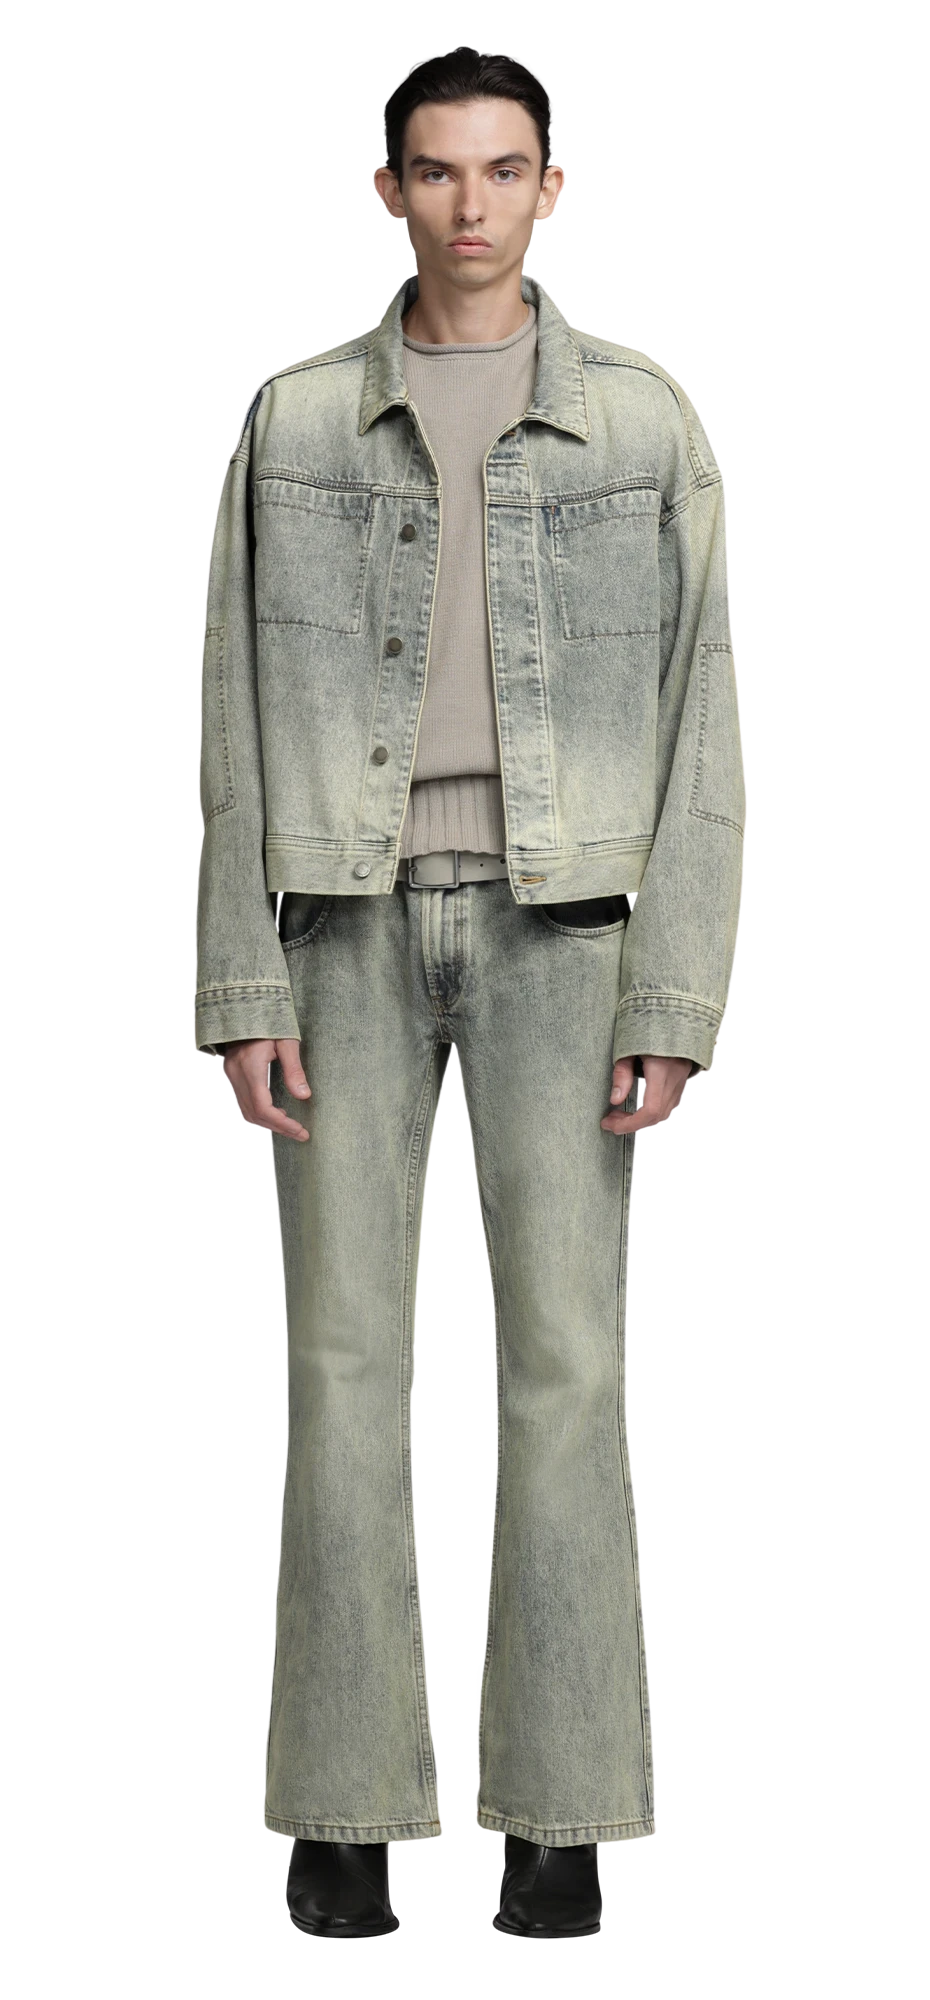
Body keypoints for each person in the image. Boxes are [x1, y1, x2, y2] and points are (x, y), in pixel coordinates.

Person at [193, 48, 745, 1940]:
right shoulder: (293, 420)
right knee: (337, 1364)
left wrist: (670, 988)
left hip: (564, 933)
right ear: (386, 192)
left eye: (503, 170)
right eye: (435, 172)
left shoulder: (638, 423)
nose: (470, 206)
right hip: (338, 923)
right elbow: (228, 716)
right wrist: (240, 970)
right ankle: (341, 1810)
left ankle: (559, 1812)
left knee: (562, 1368)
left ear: (549, 189)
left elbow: (704, 718)